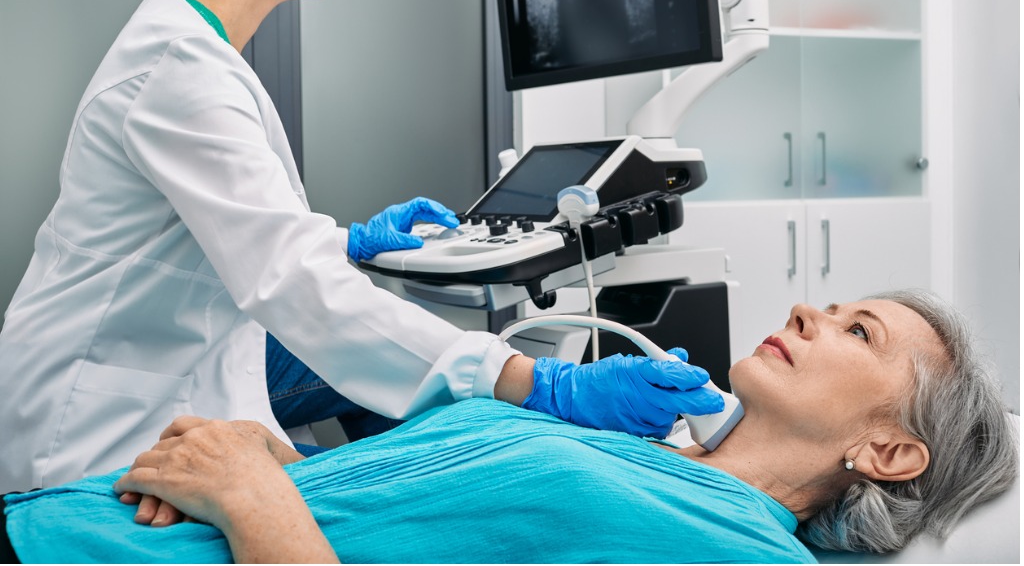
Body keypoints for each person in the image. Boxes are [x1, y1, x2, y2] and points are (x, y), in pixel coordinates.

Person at [0, 0, 723, 495]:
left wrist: (346, 241)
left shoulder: (190, 49)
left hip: (166, 347)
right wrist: (542, 382)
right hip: (94, 412)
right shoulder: (182, 75)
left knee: (413, 386)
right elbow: (289, 278)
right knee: (430, 412)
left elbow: (230, 229)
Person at [2, 290, 1017, 563]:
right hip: (75, 520)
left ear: (886, 452)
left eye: (856, 331)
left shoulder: (732, 551)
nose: (808, 311)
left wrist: (257, 499)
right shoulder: (656, 464)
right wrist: (265, 458)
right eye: (826, 301)